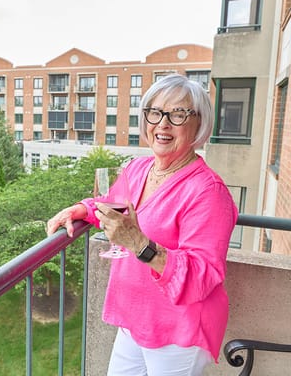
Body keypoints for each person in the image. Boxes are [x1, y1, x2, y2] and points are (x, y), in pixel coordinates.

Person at [46, 74, 238, 376]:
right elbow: (114, 207)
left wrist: (139, 244)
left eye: (177, 114)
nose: (163, 124)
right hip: (135, 319)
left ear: (198, 124)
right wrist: (82, 209)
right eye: (155, 112)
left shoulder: (208, 192)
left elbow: (203, 275)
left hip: (178, 331)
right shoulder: (139, 168)